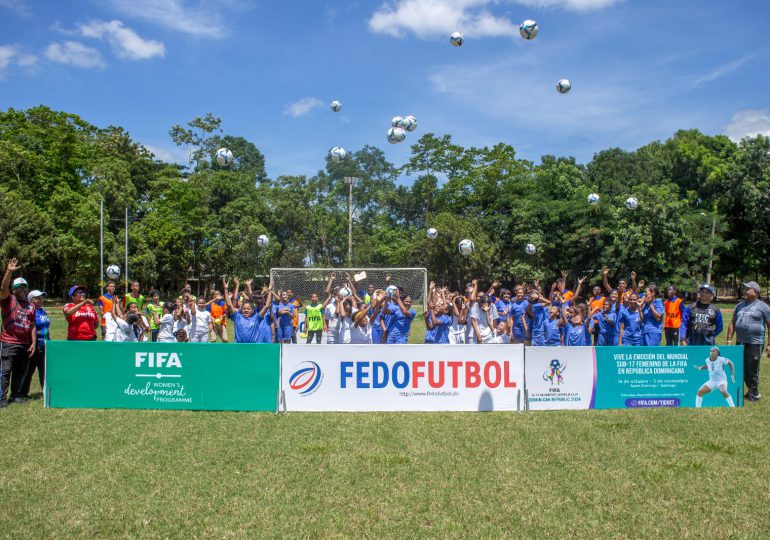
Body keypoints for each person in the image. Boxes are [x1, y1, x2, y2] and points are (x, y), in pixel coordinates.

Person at [0, 259, 36, 407]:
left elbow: (32, 325)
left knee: (20, 371)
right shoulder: (8, 300)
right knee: (5, 371)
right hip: (9, 342)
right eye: (19, 287)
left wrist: (33, 342)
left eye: (25, 287)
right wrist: (9, 271)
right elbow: (3, 288)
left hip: (24, 343)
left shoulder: (31, 306)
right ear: (13, 290)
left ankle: (16, 395)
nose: (22, 290)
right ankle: (2, 399)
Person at [726, 281, 770, 401]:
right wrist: (729, 340)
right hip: (740, 342)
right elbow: (732, 323)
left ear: (755, 292)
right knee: (741, 367)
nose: (745, 291)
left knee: (752, 367)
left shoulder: (763, 306)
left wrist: (769, 344)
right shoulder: (739, 305)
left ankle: (754, 393)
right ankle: (745, 391)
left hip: (755, 342)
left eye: (747, 289)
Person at [20, 290, 49, 398]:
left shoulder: (43, 311)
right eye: (38, 298)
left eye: (42, 297)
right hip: (34, 345)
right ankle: (22, 393)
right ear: (31, 300)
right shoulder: (28, 311)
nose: (41, 300)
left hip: (45, 345)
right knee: (29, 370)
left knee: (44, 370)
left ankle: (46, 392)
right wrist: (32, 343)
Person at [223, 278, 266, 343]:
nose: (246, 310)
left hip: (252, 346)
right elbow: (230, 305)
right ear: (241, 309)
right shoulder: (237, 316)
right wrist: (226, 289)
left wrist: (249, 286)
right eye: (244, 308)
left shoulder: (255, 316)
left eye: (248, 309)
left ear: (252, 310)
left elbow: (252, 299)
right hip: (239, 346)